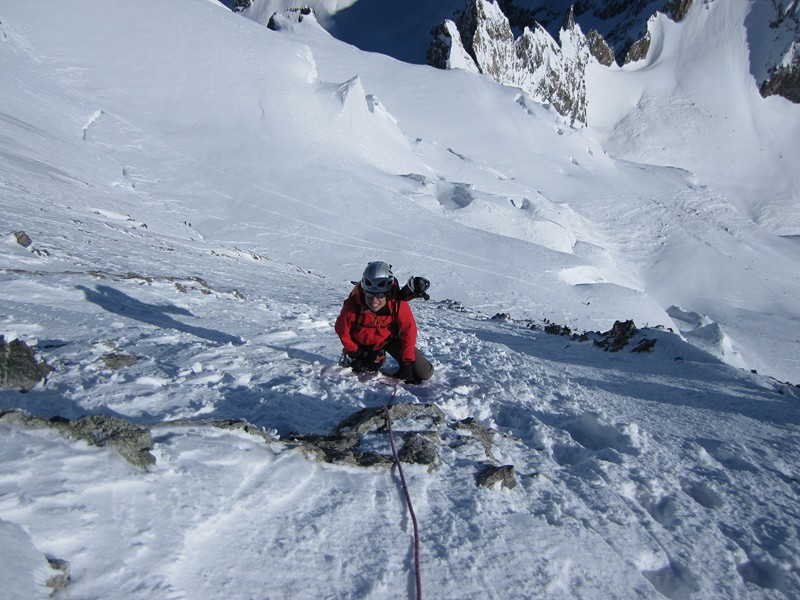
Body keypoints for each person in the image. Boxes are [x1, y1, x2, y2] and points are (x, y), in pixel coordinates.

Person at [335, 261, 434, 384]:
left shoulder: (397, 303)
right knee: (367, 368)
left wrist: (407, 362)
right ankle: (376, 357)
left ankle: (381, 354)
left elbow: (408, 331)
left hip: (388, 340)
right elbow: (341, 328)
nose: (374, 300)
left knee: (424, 373)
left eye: (380, 295)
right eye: (369, 294)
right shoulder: (354, 304)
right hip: (362, 343)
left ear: (387, 293)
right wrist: (354, 351)